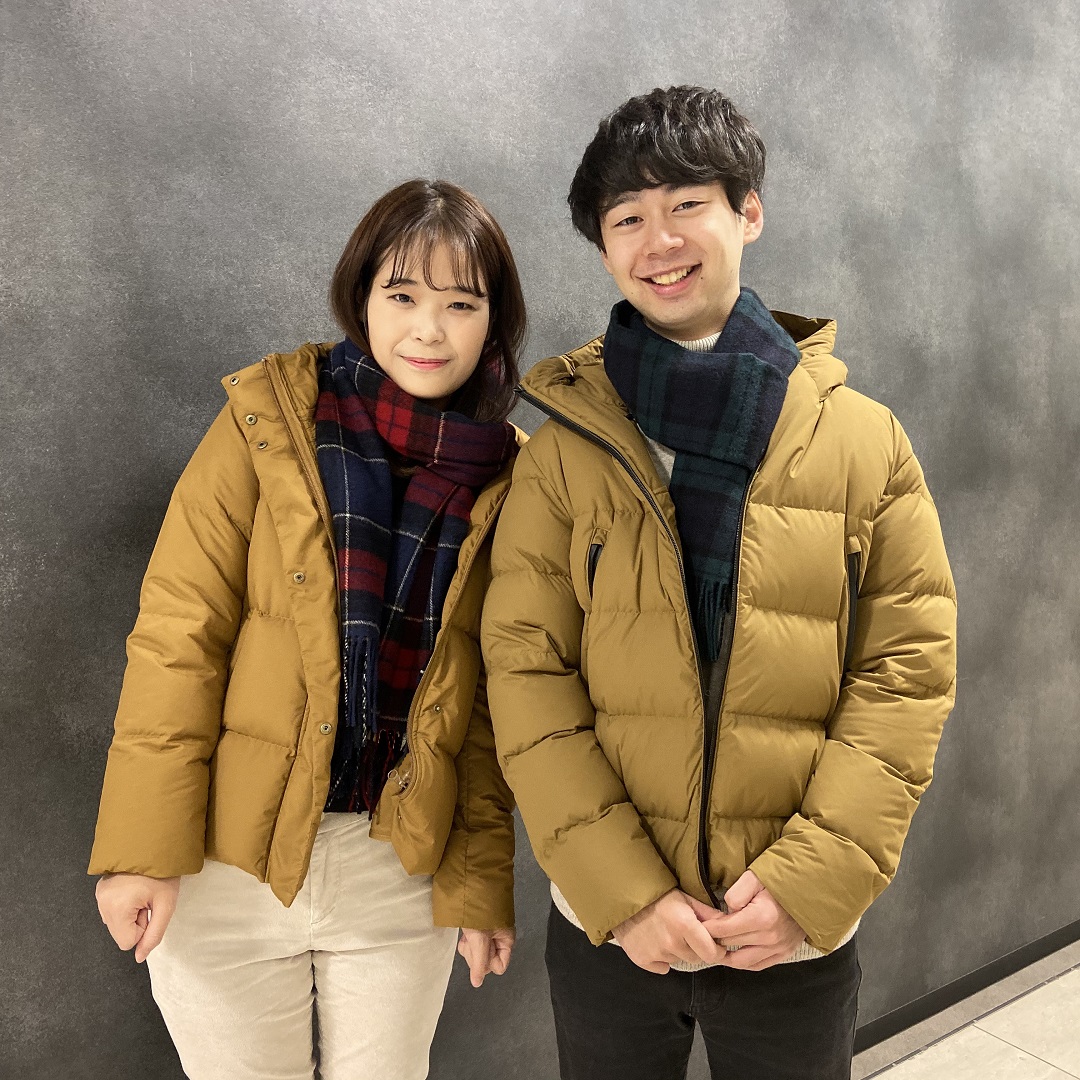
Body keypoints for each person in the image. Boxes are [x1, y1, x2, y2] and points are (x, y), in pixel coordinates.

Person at [481, 86, 957, 1080]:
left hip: (790, 932)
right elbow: (527, 673)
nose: (658, 240)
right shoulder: (565, 448)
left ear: (749, 212)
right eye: (626, 218)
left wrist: (809, 885)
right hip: (614, 931)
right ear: (604, 248)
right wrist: (626, 894)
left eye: (686, 204)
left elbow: (905, 672)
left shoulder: (865, 440)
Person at [89, 178, 526, 1080]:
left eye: (461, 303)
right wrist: (142, 851)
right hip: (226, 860)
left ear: (494, 322)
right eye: (402, 296)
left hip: (395, 868)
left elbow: (488, 703)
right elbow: (178, 638)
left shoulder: (512, 475)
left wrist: (479, 881)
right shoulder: (268, 423)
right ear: (361, 297)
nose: (429, 330)